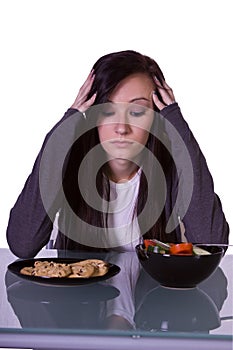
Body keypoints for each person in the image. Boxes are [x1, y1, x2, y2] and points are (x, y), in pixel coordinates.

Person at [6, 50, 229, 258]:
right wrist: (66, 128)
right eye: (107, 111)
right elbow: (22, 244)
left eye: (137, 111)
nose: (122, 127)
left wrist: (177, 127)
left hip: (153, 299)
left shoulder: (171, 168)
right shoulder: (69, 162)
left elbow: (211, 244)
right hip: (77, 299)